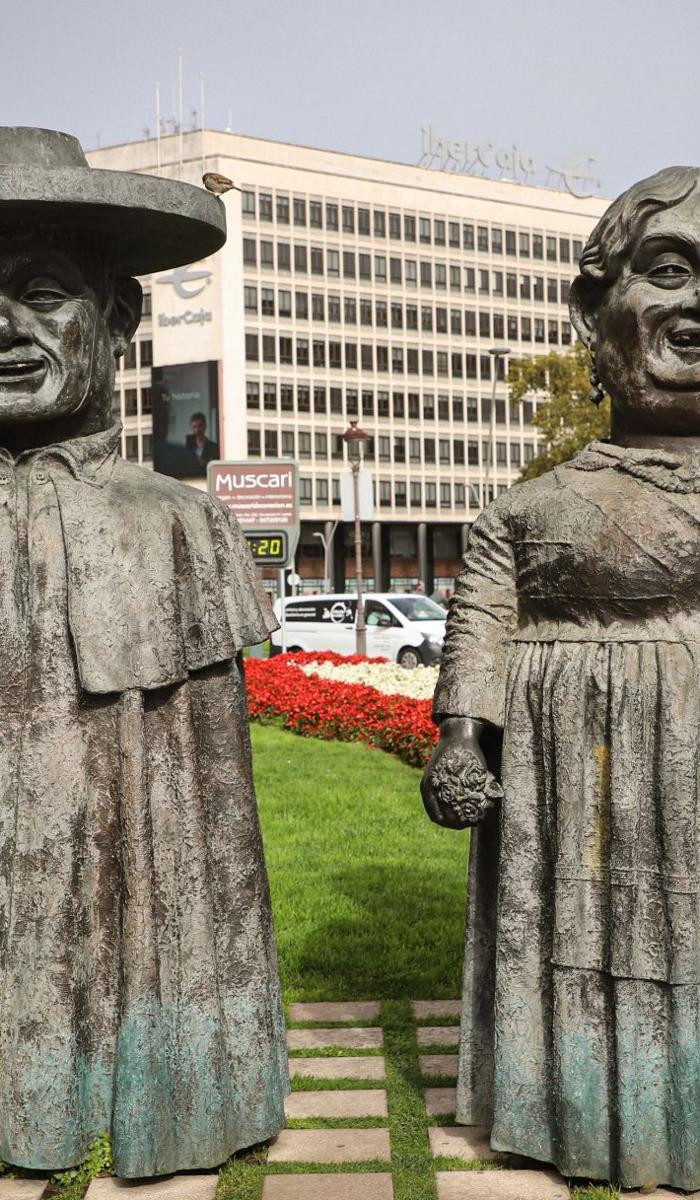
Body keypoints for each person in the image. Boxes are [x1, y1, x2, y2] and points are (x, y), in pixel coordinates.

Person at [0, 127, 288, 1179]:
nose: (6, 329)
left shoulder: (179, 523)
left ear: (116, 315)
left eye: (43, 293)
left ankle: (161, 1090)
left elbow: (211, 817)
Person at [422, 165, 700, 1192]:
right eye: (668, 270)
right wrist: (460, 735)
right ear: (596, 309)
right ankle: (578, 1101)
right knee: (581, 942)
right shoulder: (524, 513)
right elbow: (482, 620)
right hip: (572, 783)